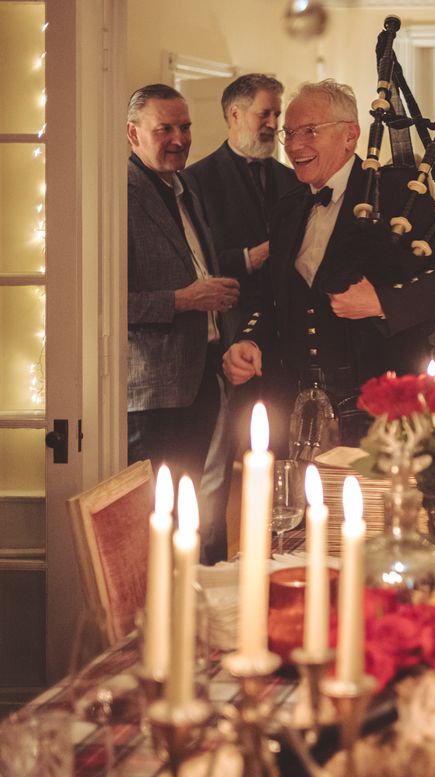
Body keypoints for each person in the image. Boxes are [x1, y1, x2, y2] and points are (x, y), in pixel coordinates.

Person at [222, 79, 435, 444]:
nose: (294, 146)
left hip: (380, 405)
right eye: (289, 134)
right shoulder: (288, 209)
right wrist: (250, 341)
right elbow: (277, 298)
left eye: (309, 132)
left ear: (350, 136)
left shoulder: (397, 192)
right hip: (297, 403)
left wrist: (382, 302)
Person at [185, 73, 299, 561]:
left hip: (284, 333)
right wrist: (247, 258)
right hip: (227, 333)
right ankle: (211, 560)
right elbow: (196, 260)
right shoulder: (197, 180)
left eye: (277, 115)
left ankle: (277, 553)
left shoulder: (291, 176)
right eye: (265, 114)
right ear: (235, 115)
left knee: (278, 449)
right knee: (219, 460)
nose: (274, 124)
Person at [126, 84, 239, 484]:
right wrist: (182, 300)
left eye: (185, 127)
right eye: (165, 129)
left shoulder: (184, 187)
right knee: (154, 517)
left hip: (203, 378)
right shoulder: (119, 195)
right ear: (133, 133)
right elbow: (106, 305)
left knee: (189, 509)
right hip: (152, 393)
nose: (180, 139)